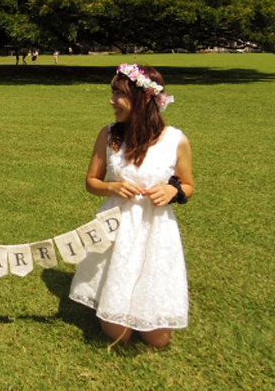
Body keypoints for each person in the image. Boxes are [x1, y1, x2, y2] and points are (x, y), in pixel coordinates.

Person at [69, 63, 194, 348]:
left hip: (155, 232)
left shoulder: (175, 140)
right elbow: (91, 182)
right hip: (117, 230)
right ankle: (113, 299)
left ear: (145, 97)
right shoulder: (109, 136)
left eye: (119, 94)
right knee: (120, 335)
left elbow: (188, 184)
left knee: (159, 340)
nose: (112, 101)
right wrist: (112, 187)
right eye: (112, 93)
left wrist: (173, 191)